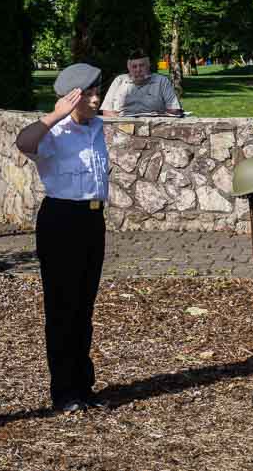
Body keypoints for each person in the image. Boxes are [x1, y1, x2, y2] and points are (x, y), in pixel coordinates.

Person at [15, 63, 109, 414]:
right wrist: (54, 115)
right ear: (72, 98)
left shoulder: (96, 127)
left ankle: (83, 385)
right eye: (90, 94)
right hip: (61, 220)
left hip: (92, 219)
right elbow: (23, 142)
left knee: (84, 307)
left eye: (97, 91)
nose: (97, 99)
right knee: (62, 308)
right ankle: (64, 390)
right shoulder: (55, 133)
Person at [101, 49, 183, 117]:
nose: (138, 70)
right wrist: (119, 121)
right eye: (134, 67)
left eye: (142, 65)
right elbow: (106, 111)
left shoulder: (161, 81)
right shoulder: (119, 81)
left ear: (148, 66)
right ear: (128, 68)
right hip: (122, 126)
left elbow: (174, 109)